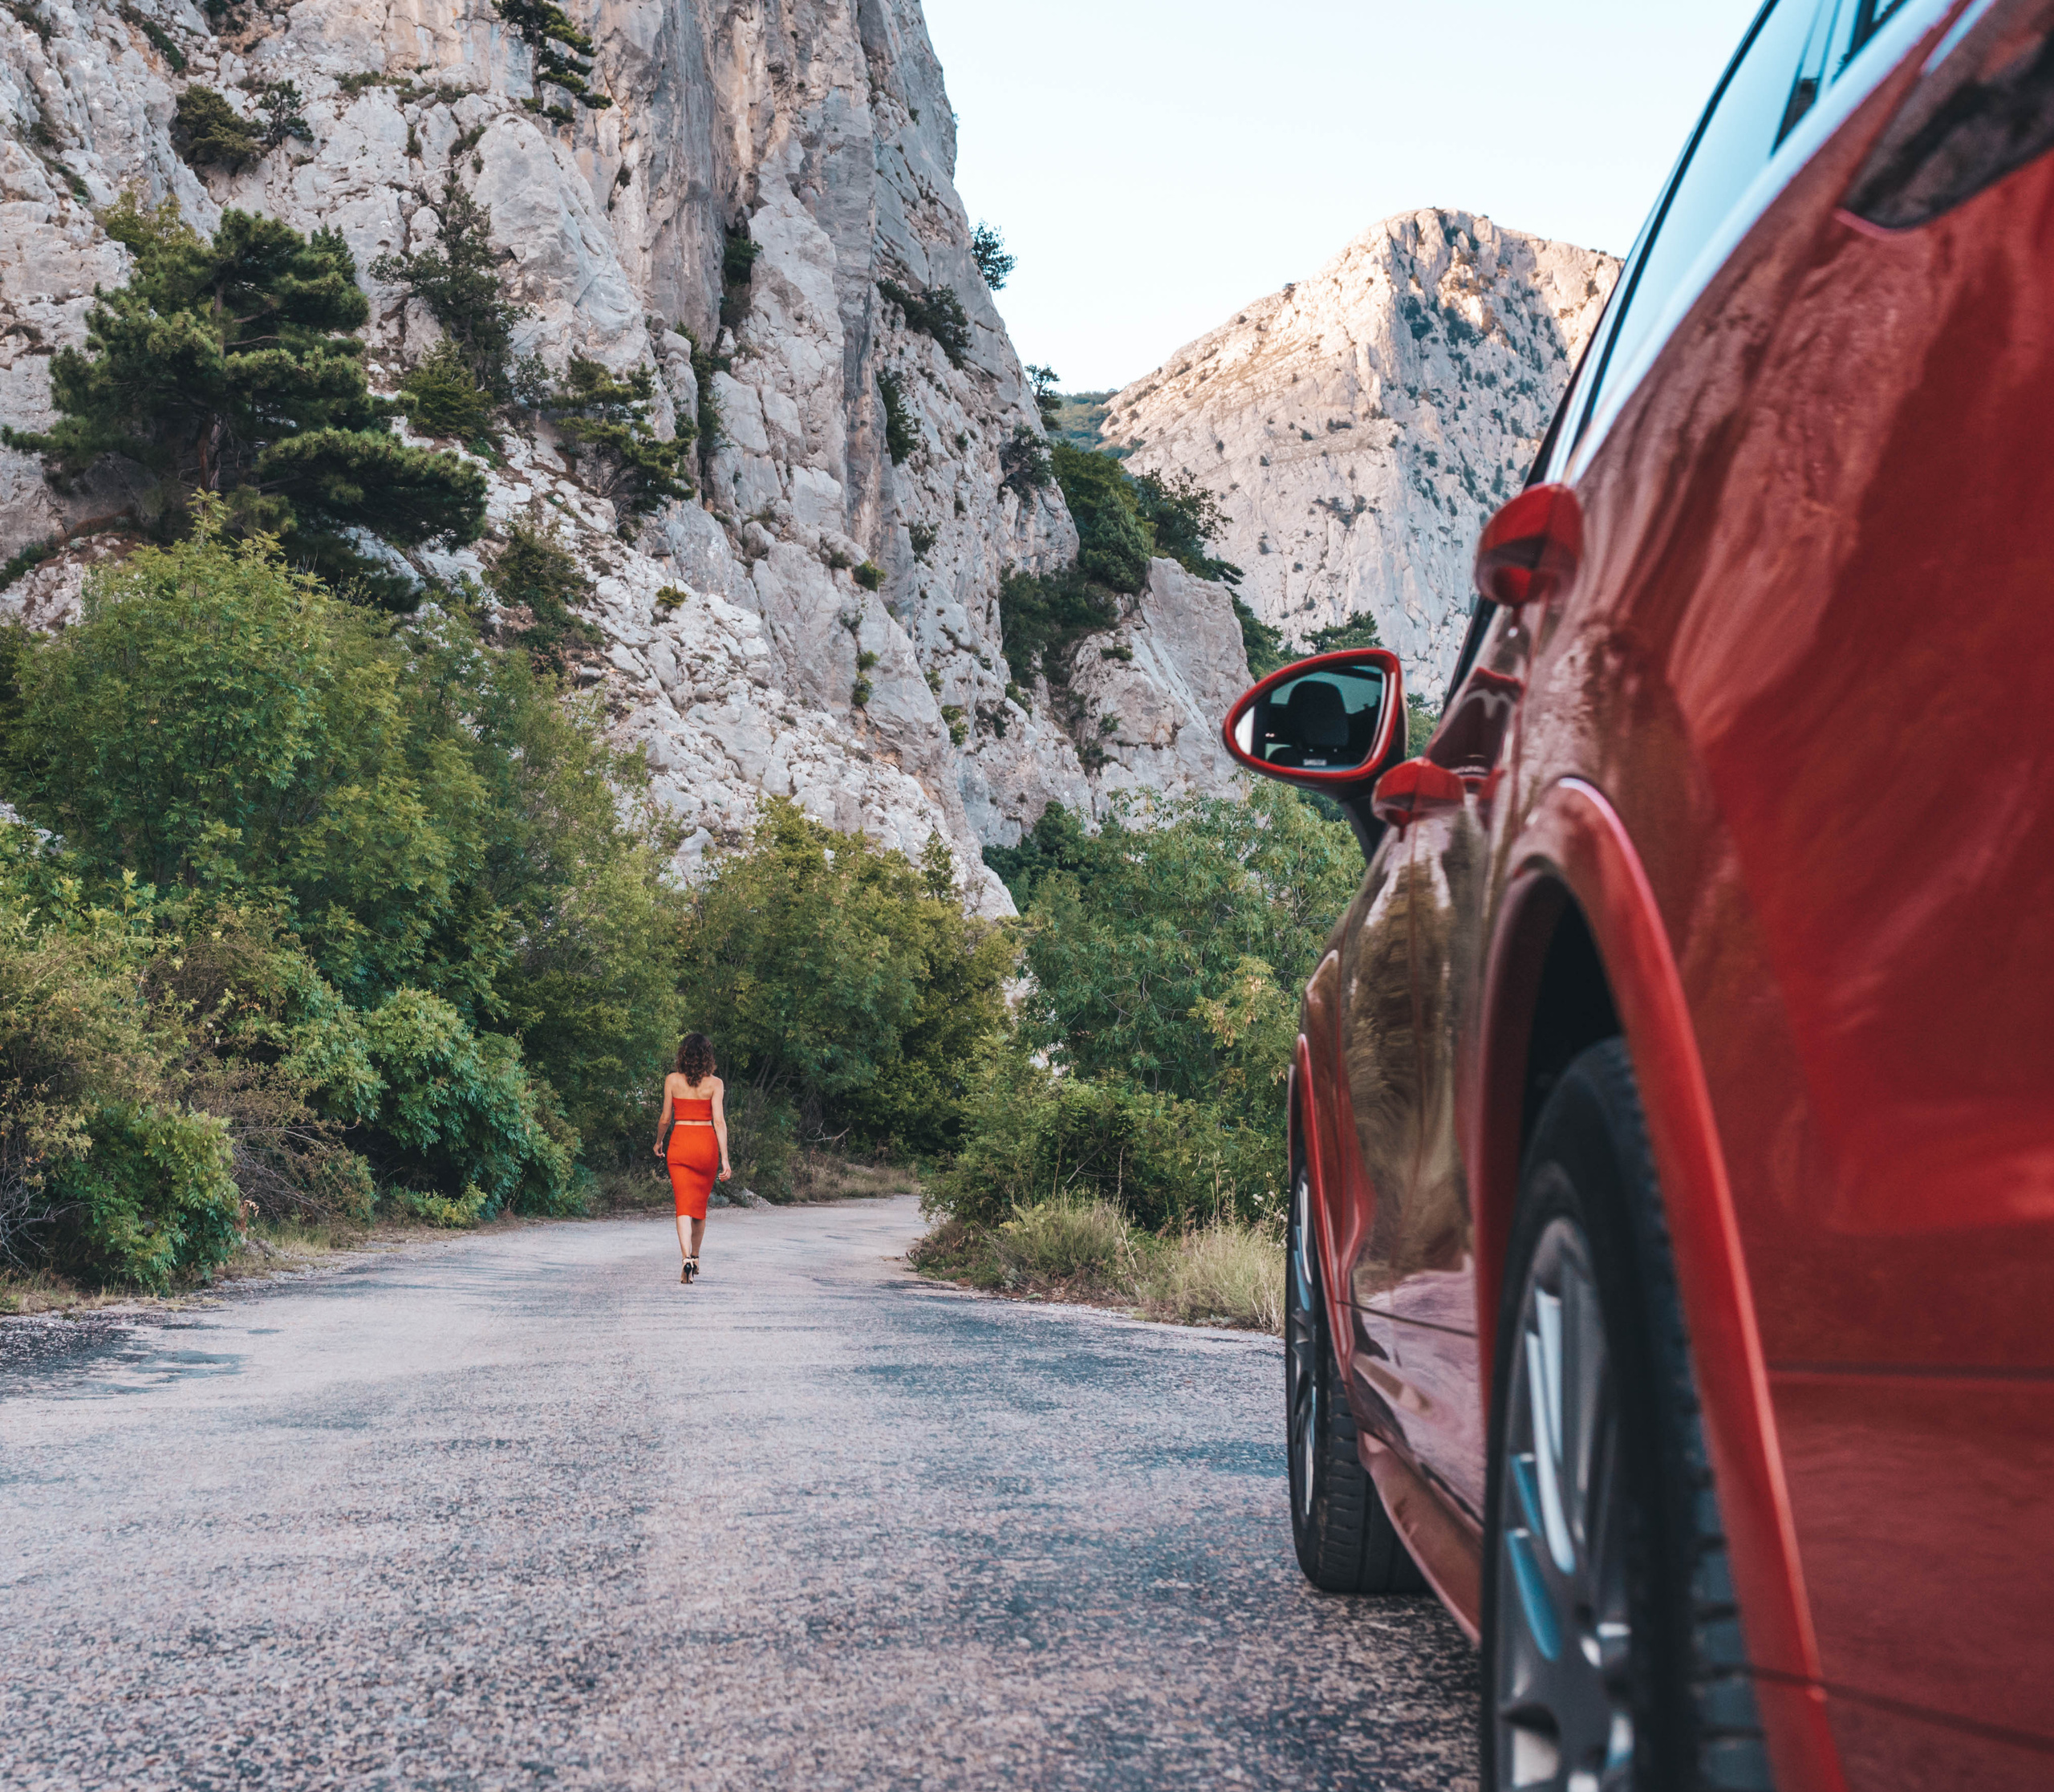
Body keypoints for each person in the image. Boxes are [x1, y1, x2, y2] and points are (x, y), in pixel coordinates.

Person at [655, 1032, 730, 1283]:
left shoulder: (672, 1080)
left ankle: (686, 1258)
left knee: (683, 1207)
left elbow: (666, 1118)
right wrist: (725, 1160)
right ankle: (696, 1258)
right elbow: (719, 1121)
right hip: (705, 1146)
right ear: (708, 1057)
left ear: (683, 1054)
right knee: (699, 1208)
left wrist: (658, 1141)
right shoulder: (716, 1084)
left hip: (680, 1144)